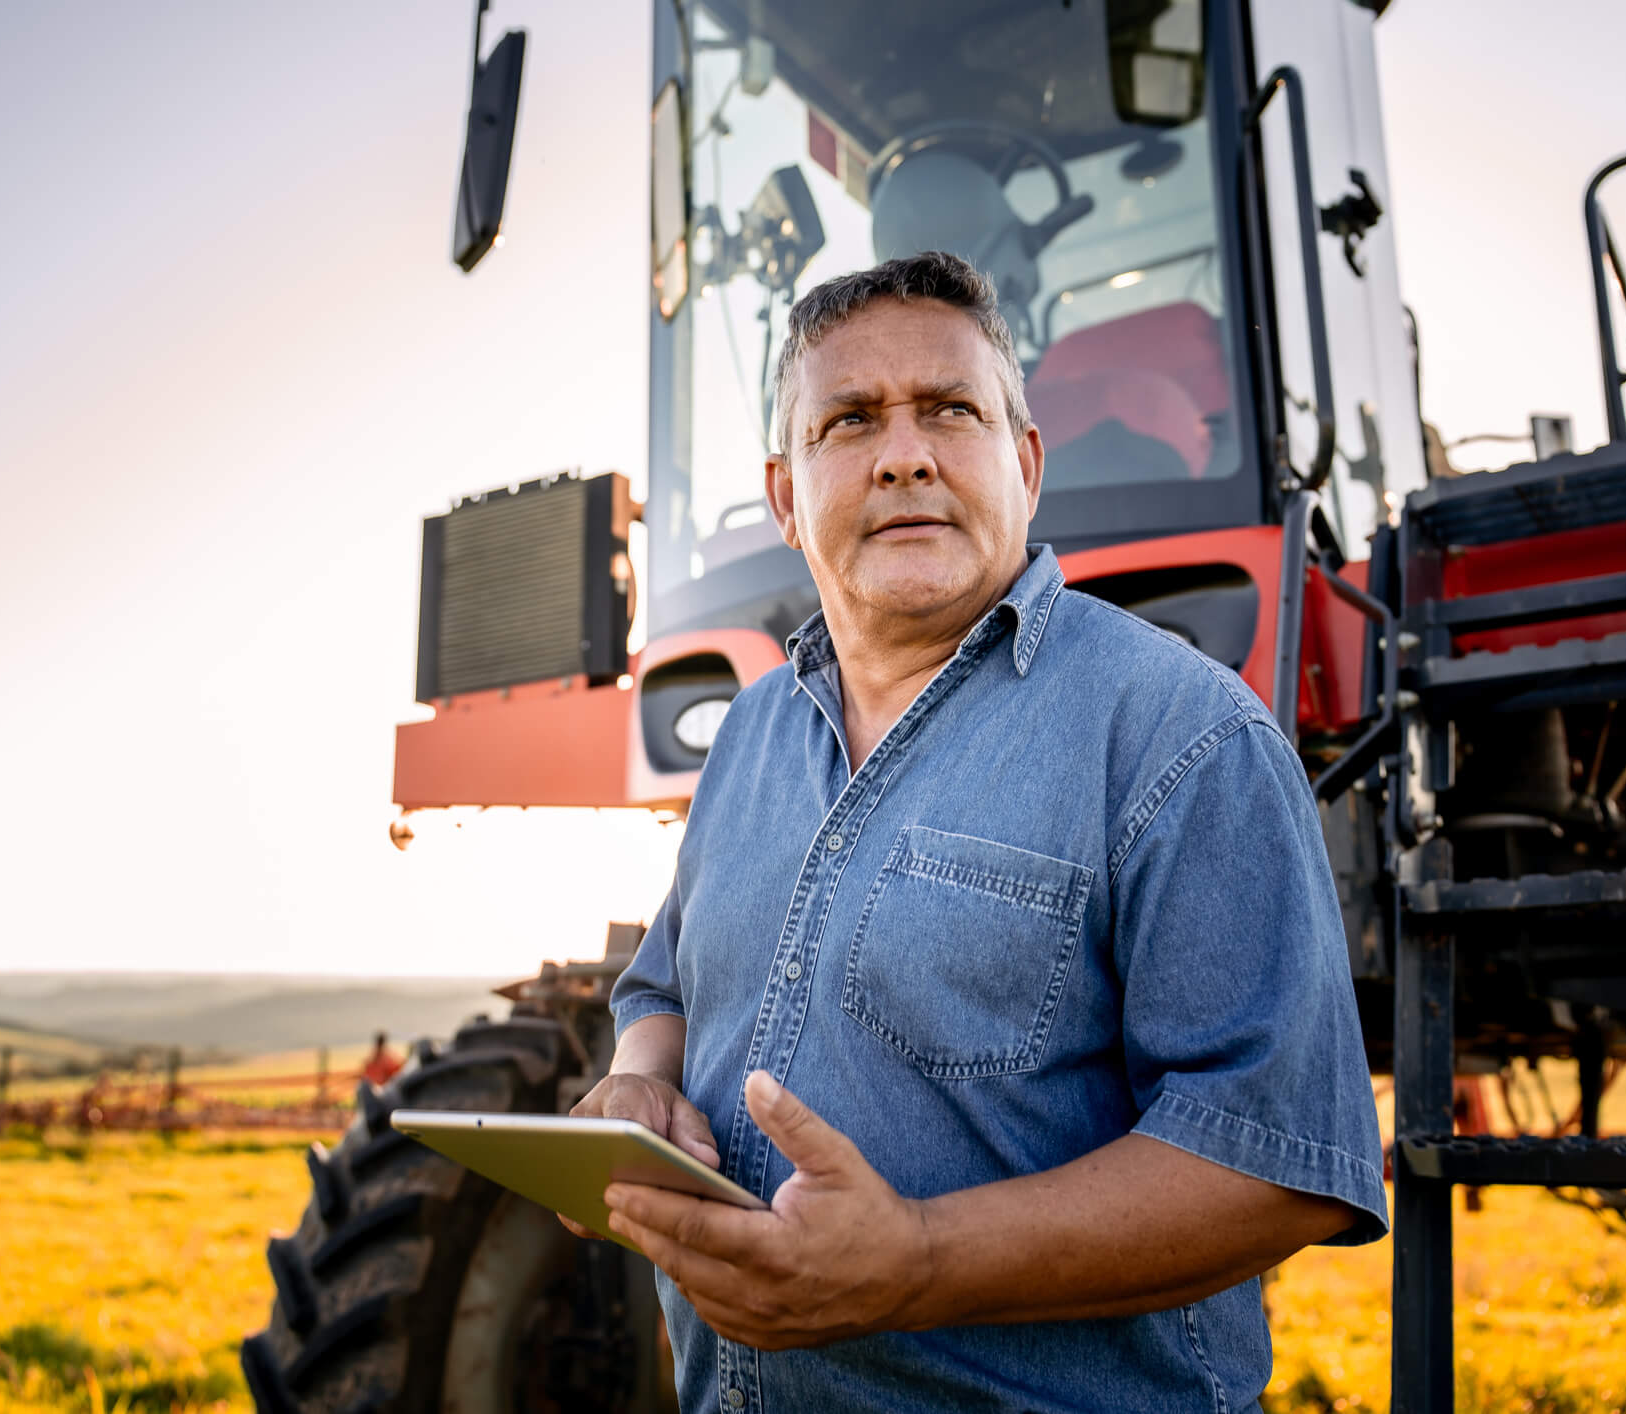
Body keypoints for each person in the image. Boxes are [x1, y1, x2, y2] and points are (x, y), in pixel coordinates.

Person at [566, 251, 1388, 1412]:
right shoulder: (748, 734)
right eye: (850, 420)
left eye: (951, 409)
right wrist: (637, 1084)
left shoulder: (1182, 731)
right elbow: (665, 986)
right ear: (787, 496)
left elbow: (1279, 1163)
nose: (904, 453)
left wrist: (916, 1262)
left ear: (1028, 464)